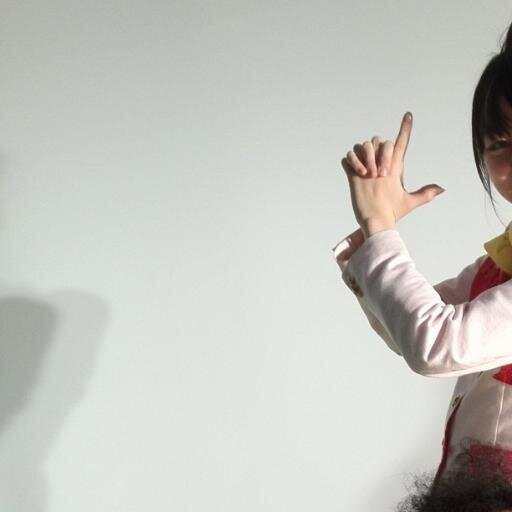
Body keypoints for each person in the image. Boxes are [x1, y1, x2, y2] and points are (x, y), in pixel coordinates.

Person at [332, 20, 512, 511]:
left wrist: (380, 228)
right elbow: (405, 328)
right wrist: (377, 230)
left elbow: (435, 345)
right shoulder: (495, 266)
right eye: (499, 144)